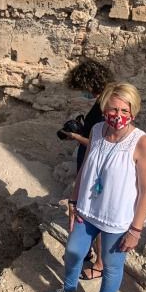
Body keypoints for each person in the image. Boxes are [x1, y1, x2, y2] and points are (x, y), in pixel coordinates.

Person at [45, 82, 146, 292]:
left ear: (134, 110)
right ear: (104, 108)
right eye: (113, 109)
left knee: (112, 267)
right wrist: (74, 201)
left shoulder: (142, 143)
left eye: (125, 110)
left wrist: (135, 229)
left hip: (116, 218)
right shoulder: (97, 130)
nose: (118, 115)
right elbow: (85, 167)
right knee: (74, 253)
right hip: (87, 209)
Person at [60, 59, 114, 280]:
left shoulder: (107, 107)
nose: (83, 93)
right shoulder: (104, 100)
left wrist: (74, 136)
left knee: (96, 214)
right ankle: (86, 249)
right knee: (86, 210)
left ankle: (100, 265)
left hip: (96, 164)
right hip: (90, 161)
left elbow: (101, 143)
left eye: (83, 89)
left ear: (91, 84)